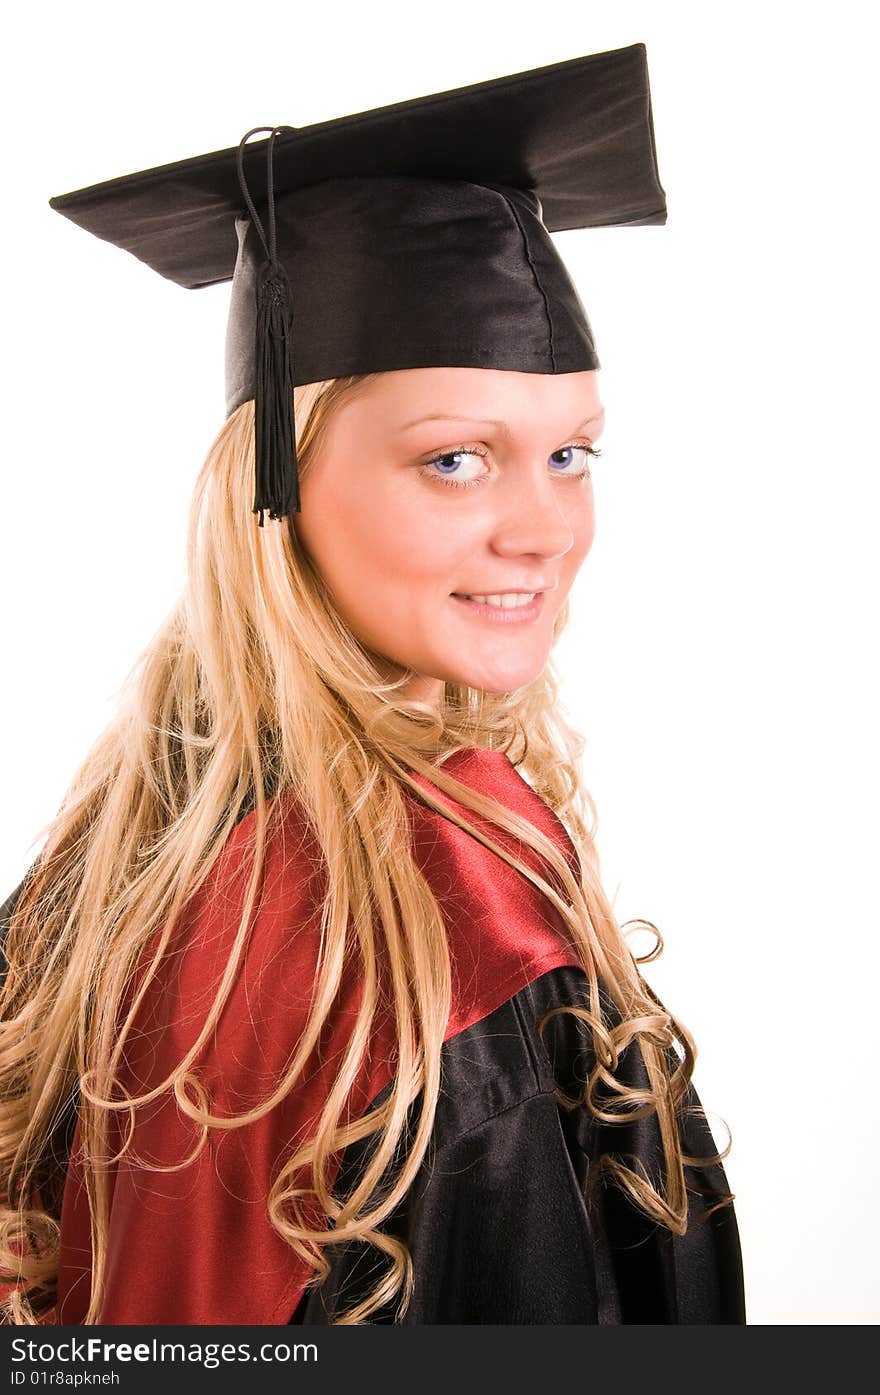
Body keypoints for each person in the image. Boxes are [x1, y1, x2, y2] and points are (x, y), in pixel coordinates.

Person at [0, 45, 746, 1326]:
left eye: (571, 452)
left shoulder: (128, 843)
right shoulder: (454, 912)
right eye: (455, 458)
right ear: (272, 493)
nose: (544, 529)